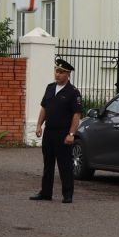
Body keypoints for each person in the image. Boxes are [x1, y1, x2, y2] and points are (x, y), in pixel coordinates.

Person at [31, 59, 81, 203]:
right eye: (56, 71)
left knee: (65, 165)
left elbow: (76, 115)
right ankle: (46, 192)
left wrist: (71, 134)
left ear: (68, 74)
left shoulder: (73, 92)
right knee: (48, 164)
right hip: (50, 132)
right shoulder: (50, 88)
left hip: (63, 133)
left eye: (61, 72)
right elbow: (44, 108)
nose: (57, 74)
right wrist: (39, 125)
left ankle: (67, 194)